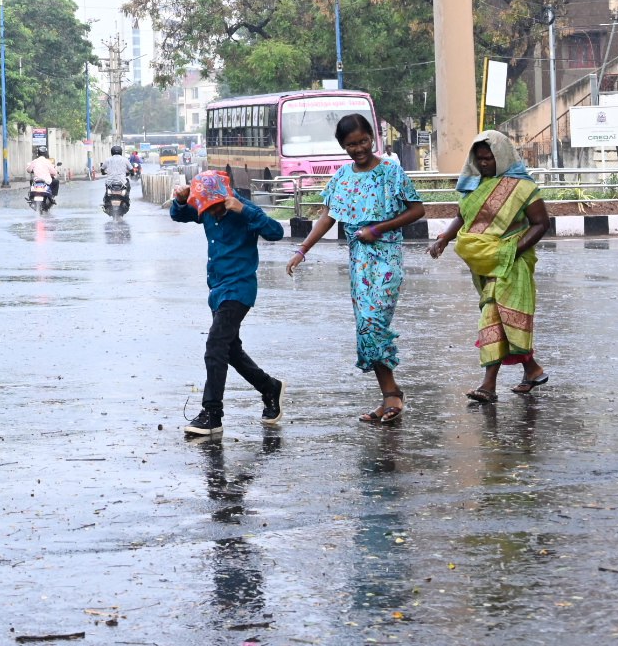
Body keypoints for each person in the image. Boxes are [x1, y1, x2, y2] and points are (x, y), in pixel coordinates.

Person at [286, 114, 425, 424]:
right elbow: (327, 217)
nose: (359, 148)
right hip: (359, 261)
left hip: (386, 256)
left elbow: (417, 209)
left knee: (375, 321)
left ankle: (392, 396)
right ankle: (390, 395)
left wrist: (379, 229)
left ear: (372, 138)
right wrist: (302, 250)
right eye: (351, 144)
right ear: (342, 146)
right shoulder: (341, 178)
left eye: (363, 141)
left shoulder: (391, 172)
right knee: (365, 326)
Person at [428, 131, 551, 402]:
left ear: (503, 156)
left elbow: (542, 223)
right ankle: (532, 369)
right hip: (486, 264)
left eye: (489, 158)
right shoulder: (475, 186)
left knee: (493, 316)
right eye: (480, 159)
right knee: (504, 318)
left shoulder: (523, 188)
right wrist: (444, 239)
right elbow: (463, 216)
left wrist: (510, 251)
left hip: (512, 264)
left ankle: (488, 385)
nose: (484, 164)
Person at [171, 170, 287, 439]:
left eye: (215, 208)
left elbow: (276, 232)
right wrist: (180, 200)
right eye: (206, 209)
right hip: (217, 290)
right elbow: (179, 215)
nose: (211, 214)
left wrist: (244, 211)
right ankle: (269, 387)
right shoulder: (206, 210)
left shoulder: (243, 210)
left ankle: (212, 414)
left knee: (215, 346)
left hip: (239, 289)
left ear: (226, 199)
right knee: (230, 350)